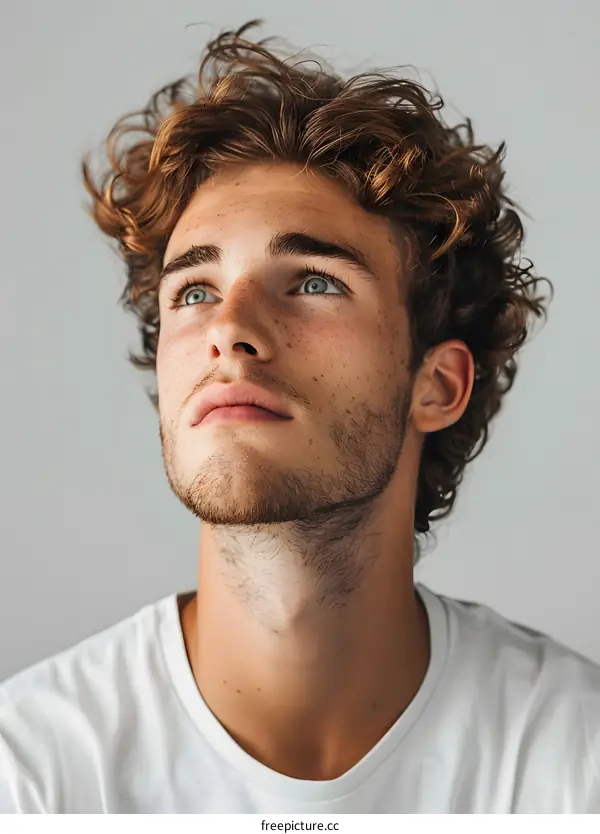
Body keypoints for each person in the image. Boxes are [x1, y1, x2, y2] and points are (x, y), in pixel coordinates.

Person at [1, 19, 597, 815]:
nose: (229, 329)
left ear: (437, 385)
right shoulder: (28, 777)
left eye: (314, 282)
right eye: (195, 291)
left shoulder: (574, 765)